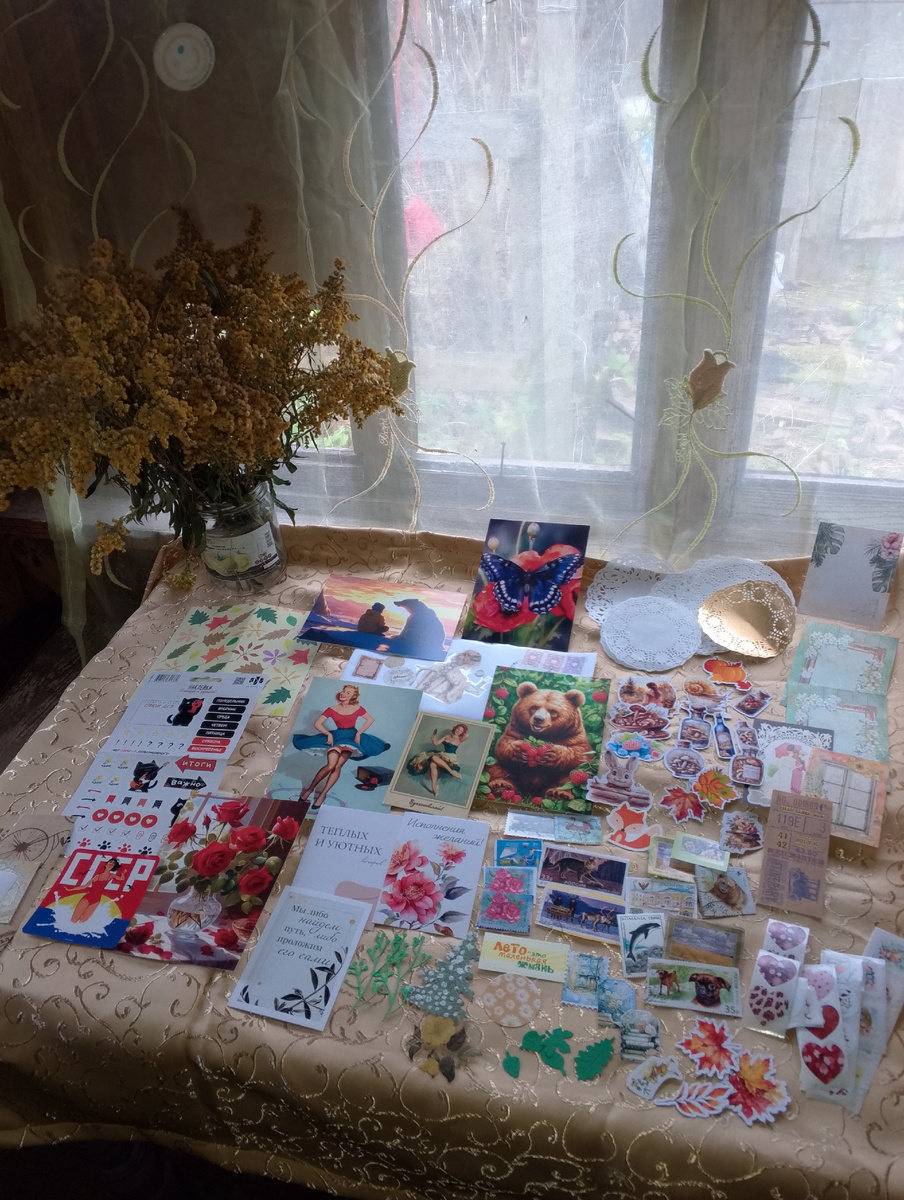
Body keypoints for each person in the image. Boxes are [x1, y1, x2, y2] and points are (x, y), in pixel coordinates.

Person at [292, 685, 389, 810]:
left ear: (353, 696)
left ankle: (323, 794)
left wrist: (359, 733)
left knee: (338, 767)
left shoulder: (357, 708)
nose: (343, 694)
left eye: (348, 693)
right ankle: (309, 790)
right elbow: (317, 724)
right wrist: (327, 734)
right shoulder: (331, 709)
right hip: (337, 737)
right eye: (343, 691)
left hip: (351, 739)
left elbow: (370, 719)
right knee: (331, 765)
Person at [407, 723, 469, 796]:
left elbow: (467, 735)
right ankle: (434, 787)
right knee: (432, 764)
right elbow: (436, 743)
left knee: (433, 757)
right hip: (443, 754)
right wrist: (433, 739)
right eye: (458, 729)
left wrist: (463, 731)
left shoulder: (460, 739)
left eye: (461, 731)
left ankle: (452, 772)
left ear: (462, 733)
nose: (458, 731)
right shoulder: (447, 736)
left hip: (451, 757)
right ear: (455, 728)